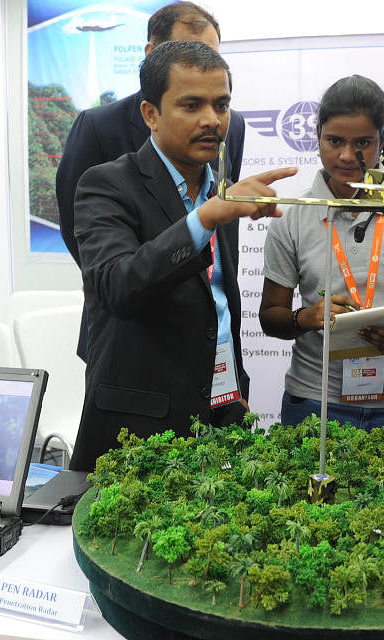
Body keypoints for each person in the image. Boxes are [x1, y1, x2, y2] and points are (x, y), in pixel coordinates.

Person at [68, 41, 294, 472]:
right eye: (192, 105)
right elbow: (120, 287)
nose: (212, 120)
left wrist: (233, 389)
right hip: (138, 430)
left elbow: (219, 306)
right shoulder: (106, 185)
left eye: (221, 104)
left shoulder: (221, 193)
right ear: (150, 114)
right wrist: (204, 219)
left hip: (222, 414)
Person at [55, 1, 246, 360]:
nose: (211, 120)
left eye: (211, 54)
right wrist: (126, 281)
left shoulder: (232, 126)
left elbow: (223, 265)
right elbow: (81, 235)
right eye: (191, 105)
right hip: (133, 344)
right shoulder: (99, 130)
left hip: (214, 359)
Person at [259, 75, 384, 433]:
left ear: (381, 141)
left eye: (362, 142)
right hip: (316, 400)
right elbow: (271, 316)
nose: (346, 155)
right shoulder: (294, 216)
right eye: (334, 141)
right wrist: (306, 318)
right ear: (317, 137)